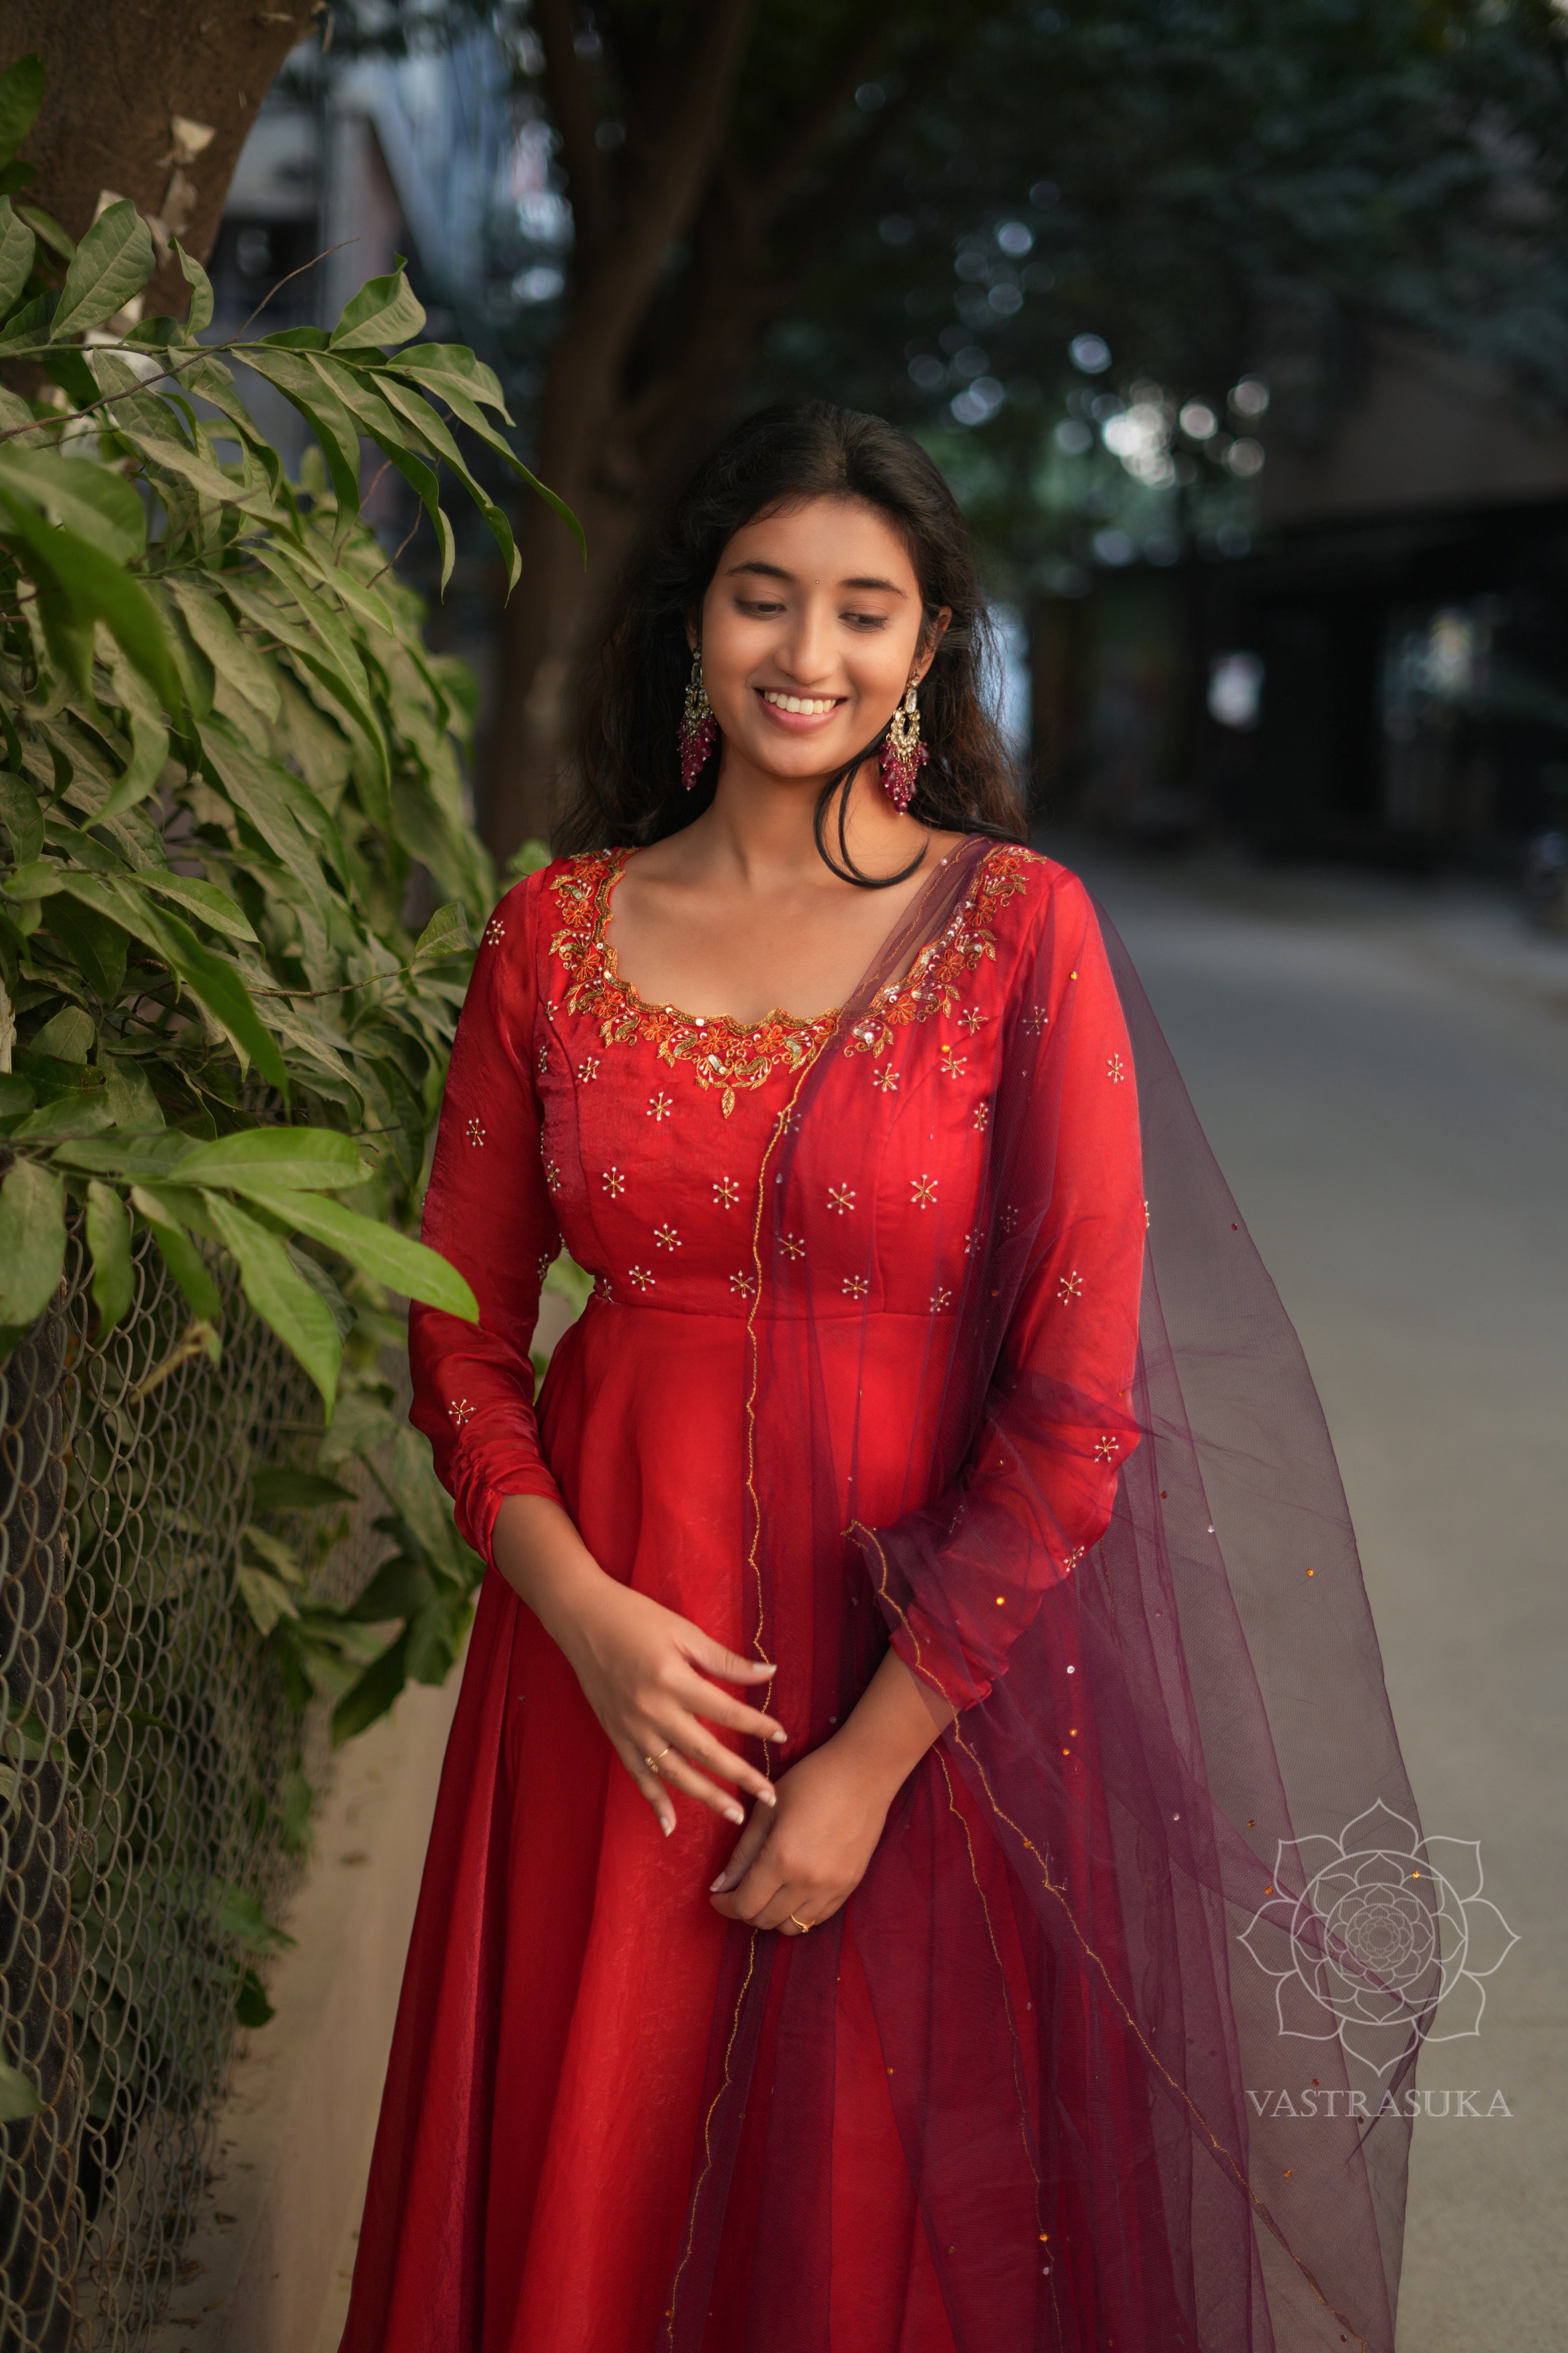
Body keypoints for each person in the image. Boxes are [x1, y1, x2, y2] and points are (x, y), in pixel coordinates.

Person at [340, 403, 1426, 2353]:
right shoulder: (553, 933)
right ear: (694, 621)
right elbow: (458, 1331)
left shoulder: (1014, 932)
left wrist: (865, 1764)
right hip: (613, 1679)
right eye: (762, 597)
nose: (806, 653)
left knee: (864, 2234)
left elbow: (1076, 1410)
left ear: (925, 646)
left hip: (919, 1692)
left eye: (862, 609)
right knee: (596, 2171)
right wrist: (576, 1610)